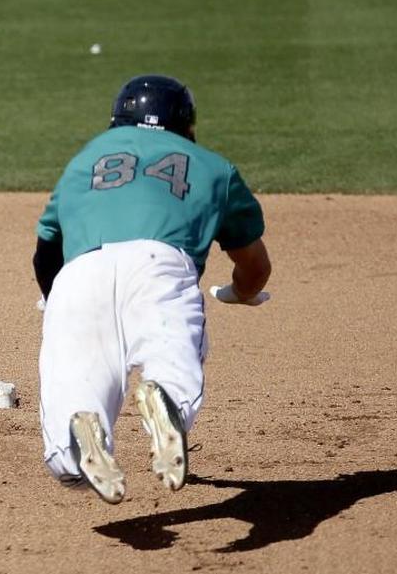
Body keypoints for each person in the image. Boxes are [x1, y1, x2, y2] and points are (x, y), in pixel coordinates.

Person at [33, 74, 271, 504]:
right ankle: (167, 403)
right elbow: (255, 266)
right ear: (187, 124)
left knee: (72, 399)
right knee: (173, 354)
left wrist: (54, 302)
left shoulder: (86, 160)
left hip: (78, 274)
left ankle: (81, 431)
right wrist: (241, 291)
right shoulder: (213, 167)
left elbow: (45, 251)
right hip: (159, 265)